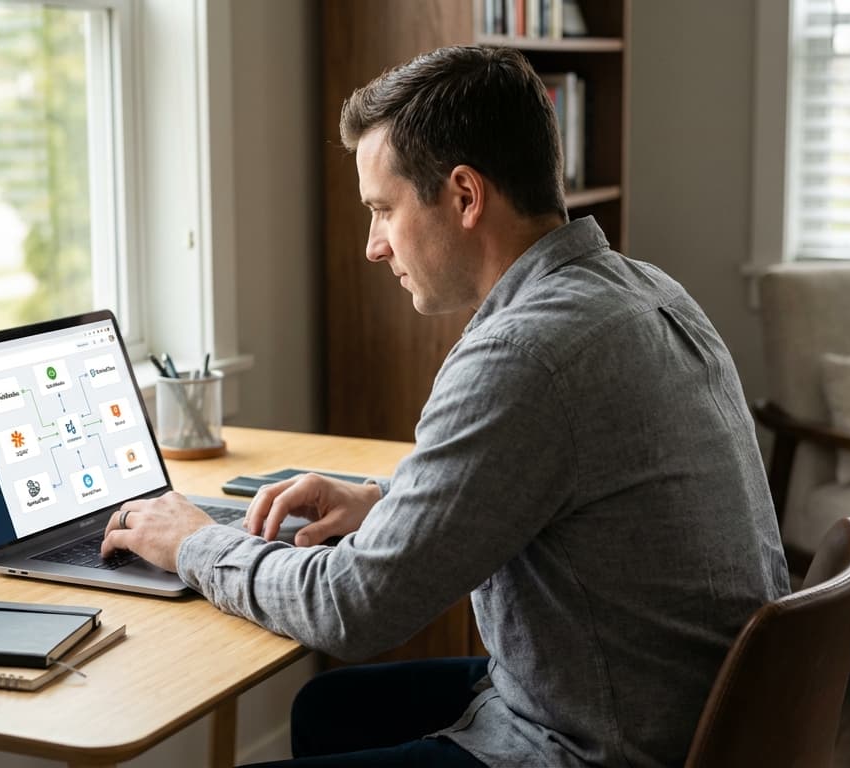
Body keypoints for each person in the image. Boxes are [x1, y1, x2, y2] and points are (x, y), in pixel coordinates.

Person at [101, 45, 789, 767]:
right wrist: (381, 502)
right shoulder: (645, 289)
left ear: (464, 196)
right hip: (690, 710)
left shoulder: (524, 354)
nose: (373, 246)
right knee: (327, 708)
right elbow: (550, 481)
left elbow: (353, 610)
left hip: (596, 745)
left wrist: (190, 542)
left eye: (382, 210)